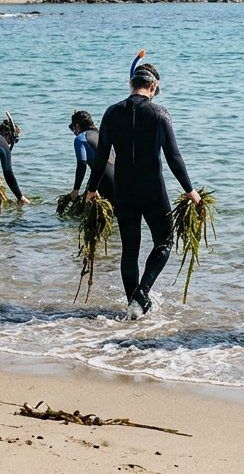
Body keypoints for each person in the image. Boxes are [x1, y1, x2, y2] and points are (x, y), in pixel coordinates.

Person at [86, 52, 200, 317]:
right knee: (164, 241)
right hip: (152, 190)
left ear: (131, 84)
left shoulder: (112, 112)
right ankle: (141, 294)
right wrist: (190, 190)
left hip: (123, 190)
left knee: (130, 249)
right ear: (153, 86)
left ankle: (133, 305)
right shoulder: (160, 113)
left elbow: (101, 156)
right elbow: (173, 156)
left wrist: (91, 189)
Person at [68, 110, 114, 200]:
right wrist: (92, 187)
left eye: (73, 129)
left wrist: (75, 190)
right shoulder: (101, 135)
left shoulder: (81, 139)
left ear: (77, 126)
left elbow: (82, 165)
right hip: (121, 181)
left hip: (106, 181)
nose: (74, 133)